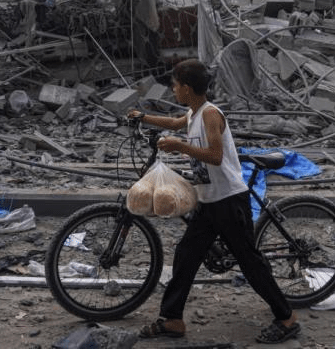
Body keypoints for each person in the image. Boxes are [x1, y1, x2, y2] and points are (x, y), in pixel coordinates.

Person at [127, 59, 301, 344]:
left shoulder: (210, 114)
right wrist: (143, 117)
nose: (173, 90)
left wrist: (180, 146)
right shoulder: (194, 112)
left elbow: (215, 155)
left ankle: (287, 318)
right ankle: (172, 319)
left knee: (250, 263)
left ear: (187, 88)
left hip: (228, 201)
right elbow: (174, 123)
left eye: (175, 85)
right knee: (186, 255)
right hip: (209, 201)